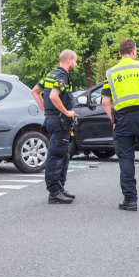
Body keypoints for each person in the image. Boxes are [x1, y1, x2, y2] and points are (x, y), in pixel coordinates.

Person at [101, 39, 139, 211]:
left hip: (122, 120)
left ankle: (130, 200)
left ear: (120, 53)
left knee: (126, 160)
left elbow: (105, 101)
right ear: (134, 51)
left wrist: (113, 120)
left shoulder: (111, 72)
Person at [31, 50, 77, 204]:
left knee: (63, 154)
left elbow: (35, 91)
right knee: (56, 156)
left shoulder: (50, 75)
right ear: (69, 61)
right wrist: (66, 112)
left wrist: (45, 108)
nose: (76, 64)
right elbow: (53, 95)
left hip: (52, 120)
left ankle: (59, 187)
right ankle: (54, 193)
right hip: (59, 121)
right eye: (75, 61)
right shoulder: (62, 76)